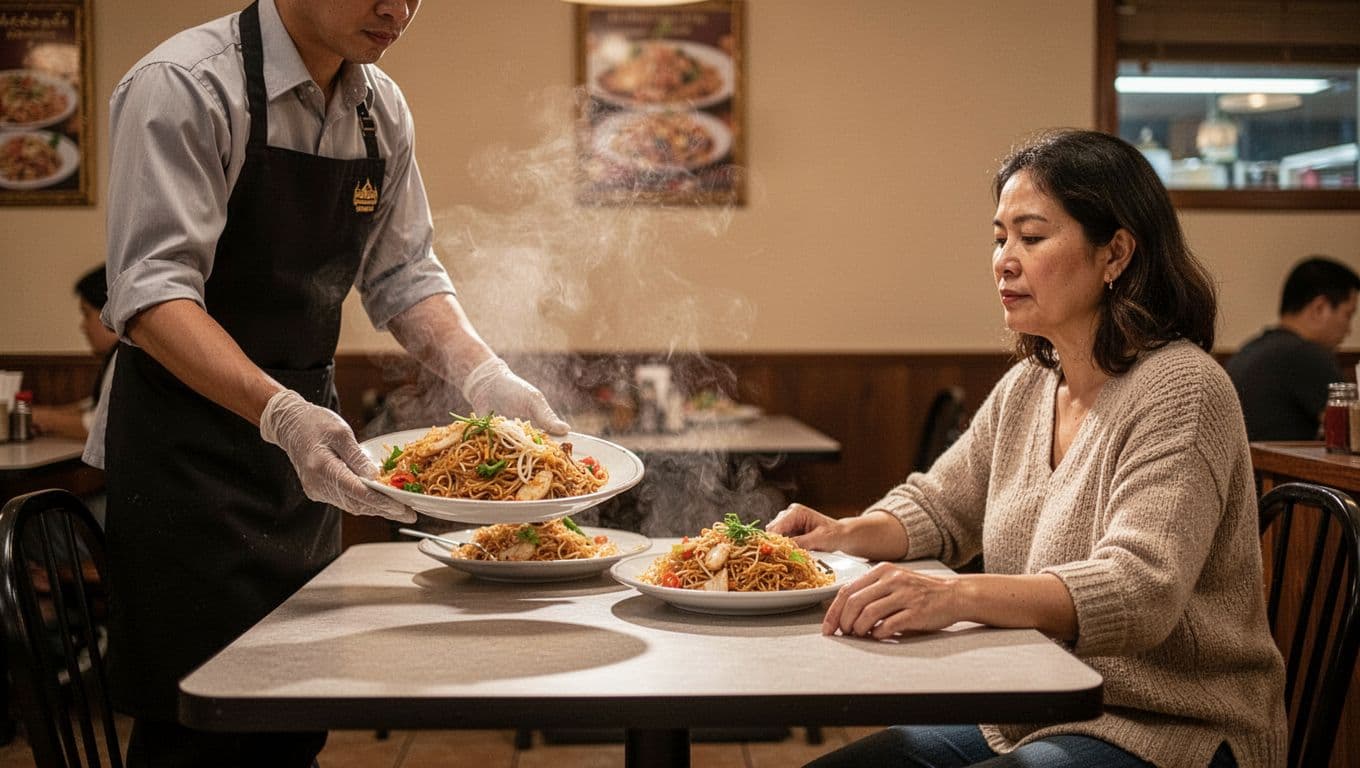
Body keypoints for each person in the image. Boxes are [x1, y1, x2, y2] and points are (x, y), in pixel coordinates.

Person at [89, 2, 568, 766]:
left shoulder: (379, 106)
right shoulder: (185, 84)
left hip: (305, 460)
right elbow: (151, 296)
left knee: (293, 714)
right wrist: (279, 412)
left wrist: (484, 375)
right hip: (187, 459)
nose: (397, 8)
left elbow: (405, 275)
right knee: (198, 725)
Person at [770, 129, 1286, 768]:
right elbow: (940, 507)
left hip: (1173, 731)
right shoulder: (1031, 384)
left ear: (1115, 253)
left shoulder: (1183, 388)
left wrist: (953, 597)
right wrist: (840, 533)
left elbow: (1140, 590)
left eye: (1032, 237)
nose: (1004, 260)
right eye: (999, 237)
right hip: (1032, 714)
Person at [1225, 256, 1360, 441]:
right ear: (1319, 308)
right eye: (1348, 314)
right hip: (1282, 469)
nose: (1349, 329)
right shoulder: (1306, 355)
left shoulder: (1248, 351)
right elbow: (1352, 434)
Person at [30, 265, 118, 441]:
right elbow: (95, 405)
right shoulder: (117, 354)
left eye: (87, 314)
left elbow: (101, 425)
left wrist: (42, 418)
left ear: (110, 313)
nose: (83, 326)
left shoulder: (125, 356)